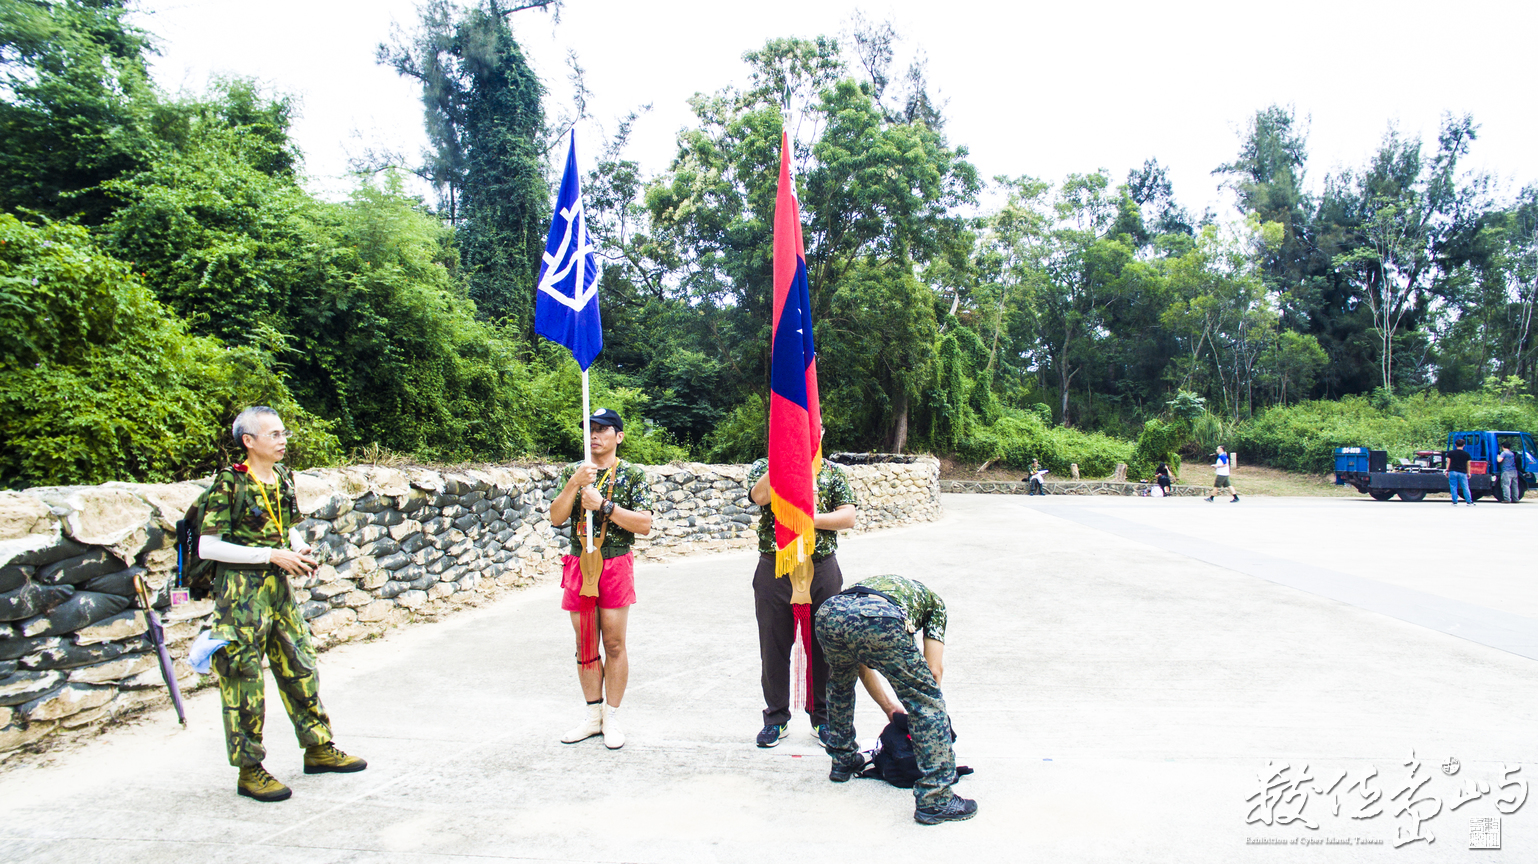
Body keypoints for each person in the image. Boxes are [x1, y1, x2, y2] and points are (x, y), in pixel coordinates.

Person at [200, 406, 366, 803]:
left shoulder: (282, 478)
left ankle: (318, 747)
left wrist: (296, 547)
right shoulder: (228, 484)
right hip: (240, 595)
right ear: (248, 441)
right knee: (243, 679)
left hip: (278, 590)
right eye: (273, 434)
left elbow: (283, 526)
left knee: (300, 665)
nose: (282, 439)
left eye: (283, 433)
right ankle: (250, 769)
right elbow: (209, 545)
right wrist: (270, 556)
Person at [815, 574, 976, 825]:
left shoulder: (883, 584)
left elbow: (859, 662)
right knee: (927, 701)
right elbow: (933, 672)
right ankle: (936, 799)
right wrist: (925, 712)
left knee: (840, 683)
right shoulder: (935, 605)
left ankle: (842, 761)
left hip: (830, 613)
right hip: (880, 618)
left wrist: (890, 708)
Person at [550, 408, 654, 750]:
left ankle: (612, 716)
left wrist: (604, 506)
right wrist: (574, 484)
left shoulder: (632, 475)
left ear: (618, 436)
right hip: (580, 562)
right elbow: (556, 517)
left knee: (613, 643)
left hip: (614, 562)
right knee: (584, 643)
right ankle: (592, 716)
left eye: (602, 429)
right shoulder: (575, 471)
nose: (594, 435)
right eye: (589, 430)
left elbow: (644, 524)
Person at [746, 452, 857, 747]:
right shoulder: (765, 465)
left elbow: (848, 516)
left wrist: (808, 520)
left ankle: (823, 719)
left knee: (825, 646)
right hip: (775, 565)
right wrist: (782, 459)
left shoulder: (831, 472)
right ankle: (776, 718)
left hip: (821, 566)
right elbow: (758, 497)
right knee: (773, 645)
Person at [1446, 438, 1474, 506]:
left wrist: (1447, 470)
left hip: (1452, 471)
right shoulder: (1466, 454)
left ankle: (1454, 501)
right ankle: (1469, 502)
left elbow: (1448, 462)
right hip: (1462, 472)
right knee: (1465, 487)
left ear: (1455, 445)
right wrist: (1469, 473)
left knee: (1453, 487)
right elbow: (1468, 464)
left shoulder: (1450, 453)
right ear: (1464, 445)